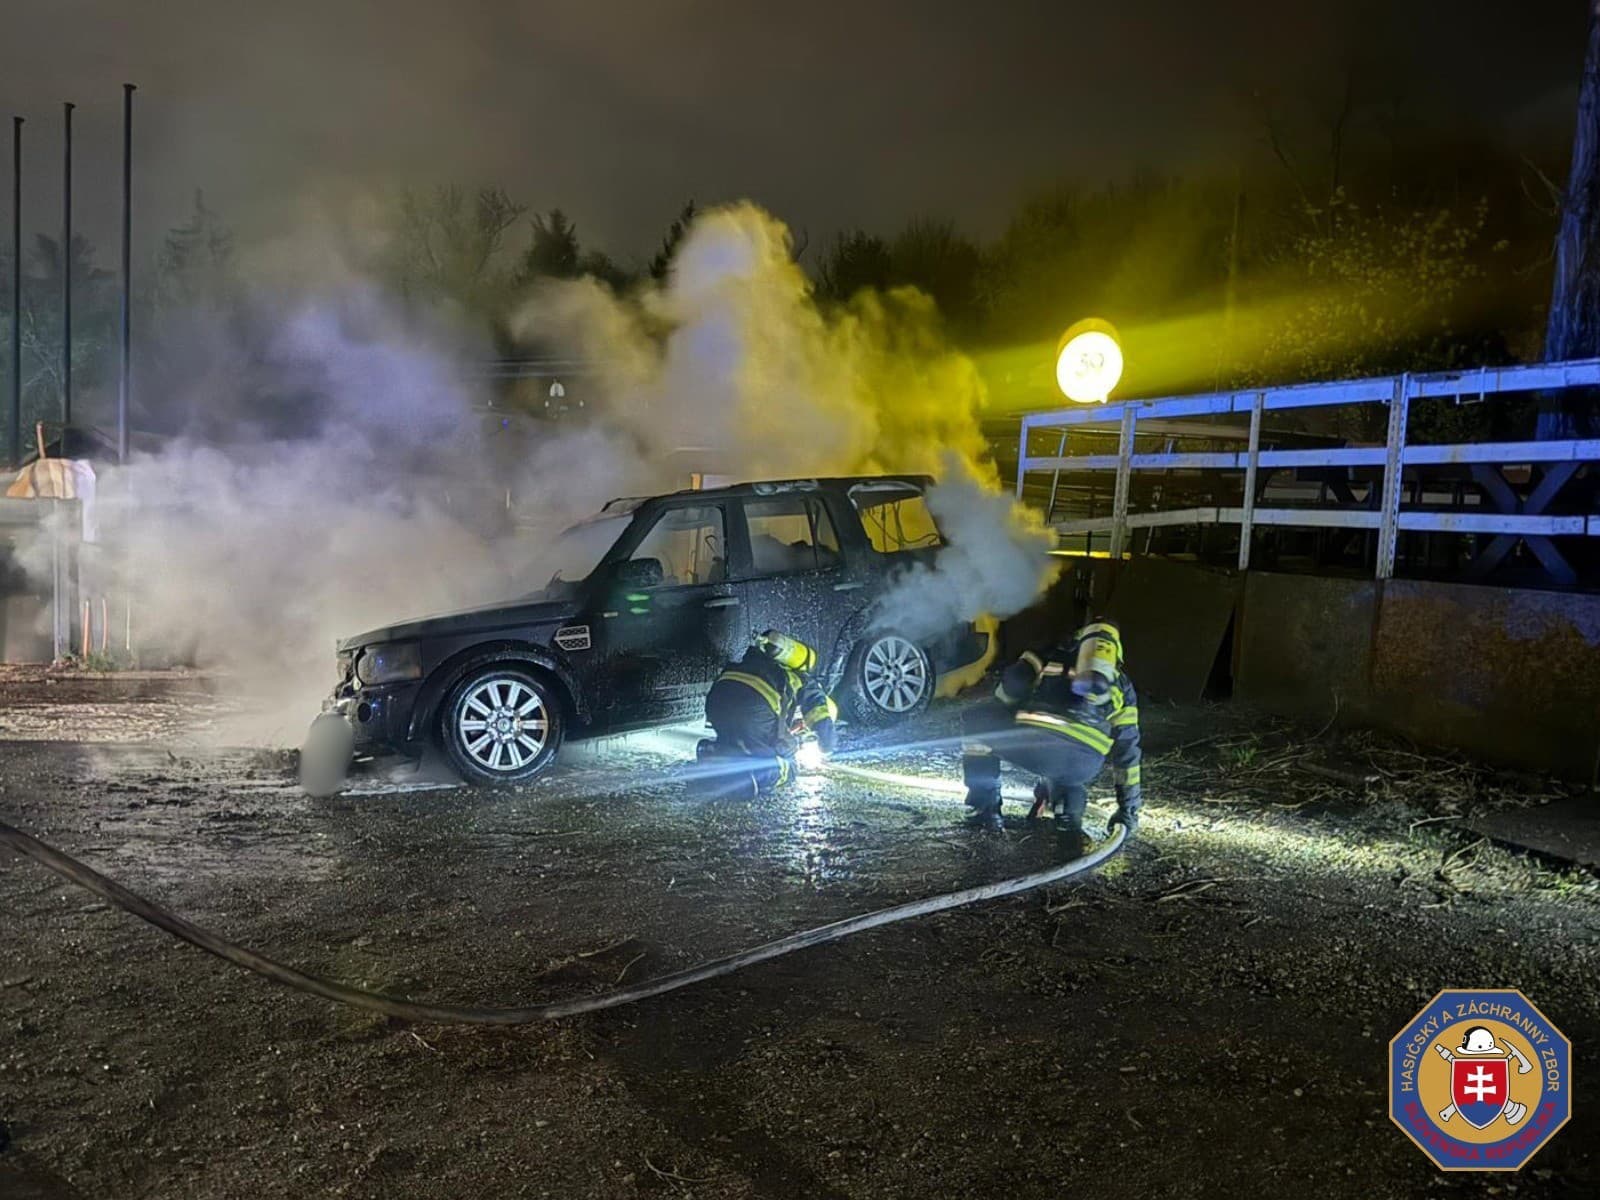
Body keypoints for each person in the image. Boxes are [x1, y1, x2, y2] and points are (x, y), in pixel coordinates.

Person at [960, 618, 1142, 849]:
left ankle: (985, 807)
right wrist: (1128, 810)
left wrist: (1012, 705)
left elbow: (1013, 684)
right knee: (1070, 762)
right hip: (1083, 765)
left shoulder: (1051, 651)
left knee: (976, 719)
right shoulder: (1123, 686)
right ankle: (1068, 813)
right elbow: (1128, 751)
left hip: (1034, 748)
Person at [697, 629, 839, 799]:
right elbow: (820, 715)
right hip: (754, 711)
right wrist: (826, 747)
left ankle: (712, 752)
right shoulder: (805, 680)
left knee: (738, 739)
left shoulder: (757, 662)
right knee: (789, 765)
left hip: (716, 703)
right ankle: (759, 777)